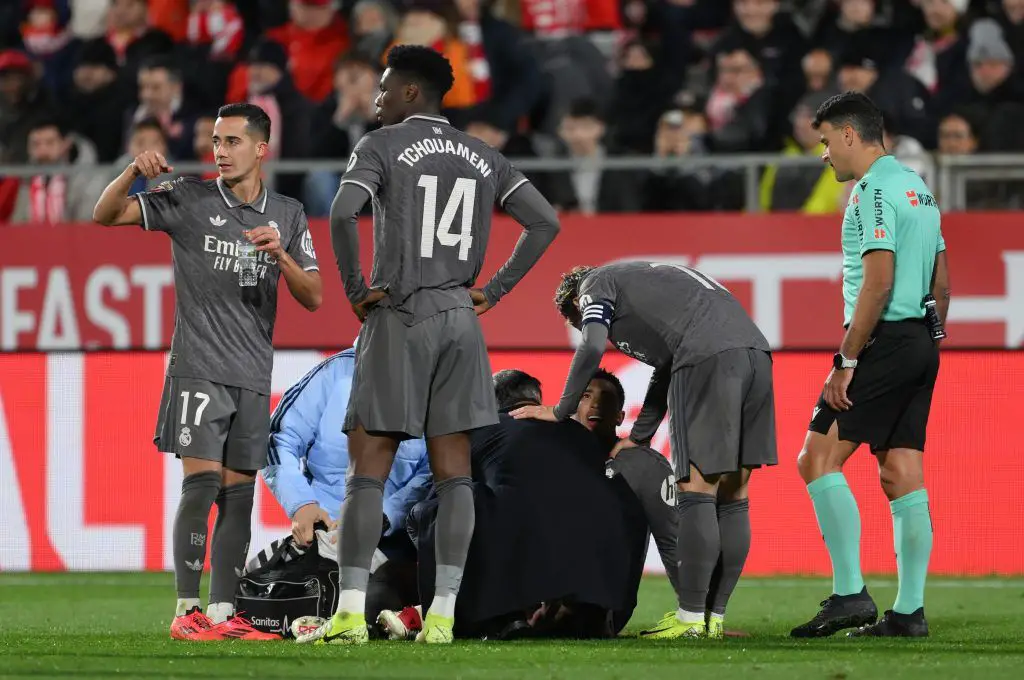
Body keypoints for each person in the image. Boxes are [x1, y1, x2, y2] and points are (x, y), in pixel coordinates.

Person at [300, 45, 559, 646]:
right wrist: (493, 290)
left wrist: (355, 289)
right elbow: (544, 221)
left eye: (385, 88)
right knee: (455, 477)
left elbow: (342, 216)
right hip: (460, 322)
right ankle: (442, 615)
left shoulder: (381, 145)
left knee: (367, 474)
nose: (376, 98)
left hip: (400, 312)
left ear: (412, 92)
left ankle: (348, 616)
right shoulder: (483, 153)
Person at [92, 102, 323, 641]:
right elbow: (106, 214)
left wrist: (281, 255)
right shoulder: (190, 198)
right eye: (216, 142)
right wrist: (131, 171)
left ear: (261, 148)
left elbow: (313, 297)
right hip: (198, 366)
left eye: (232, 142)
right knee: (201, 485)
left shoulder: (287, 213)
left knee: (239, 494)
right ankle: (184, 611)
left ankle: (222, 613)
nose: (220, 151)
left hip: (252, 374)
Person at [512, 260, 777, 640]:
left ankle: (689, 620)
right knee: (734, 492)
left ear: (575, 303)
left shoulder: (596, 283)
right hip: (756, 354)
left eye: (576, 320)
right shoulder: (650, 288)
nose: (582, 326)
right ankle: (712, 618)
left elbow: (590, 347)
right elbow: (665, 365)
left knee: (697, 489)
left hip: (705, 358)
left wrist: (560, 409)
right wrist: (640, 435)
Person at [791, 91, 948, 639]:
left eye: (827, 140)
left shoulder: (873, 192)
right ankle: (908, 613)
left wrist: (847, 359)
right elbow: (941, 277)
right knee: (900, 471)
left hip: (883, 341)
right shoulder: (918, 188)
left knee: (816, 459)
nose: (824, 153)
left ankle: (849, 594)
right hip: (919, 341)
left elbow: (878, 282)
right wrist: (928, 343)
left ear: (850, 134)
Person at [401, 369, 638, 640]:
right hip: (608, 580)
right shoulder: (583, 435)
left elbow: (437, 495)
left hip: (527, 551)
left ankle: (485, 615)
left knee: (437, 508)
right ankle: (582, 613)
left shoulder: (480, 430)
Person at [262, 346, 431, 623]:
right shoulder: (335, 373)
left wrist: (385, 516)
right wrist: (301, 503)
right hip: (326, 534)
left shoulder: (432, 381)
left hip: (392, 541)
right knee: (262, 600)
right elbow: (280, 436)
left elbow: (437, 471)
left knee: (371, 601)